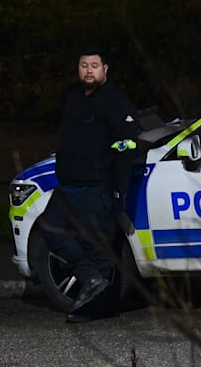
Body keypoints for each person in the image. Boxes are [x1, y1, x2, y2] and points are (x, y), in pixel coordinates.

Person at [40, 50, 140, 323]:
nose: (88, 70)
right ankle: (90, 279)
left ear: (105, 69)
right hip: (68, 185)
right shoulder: (74, 97)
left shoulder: (115, 101)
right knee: (50, 228)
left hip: (95, 187)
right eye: (84, 65)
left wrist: (118, 192)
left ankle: (94, 307)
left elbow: (128, 145)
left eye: (94, 65)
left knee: (95, 246)